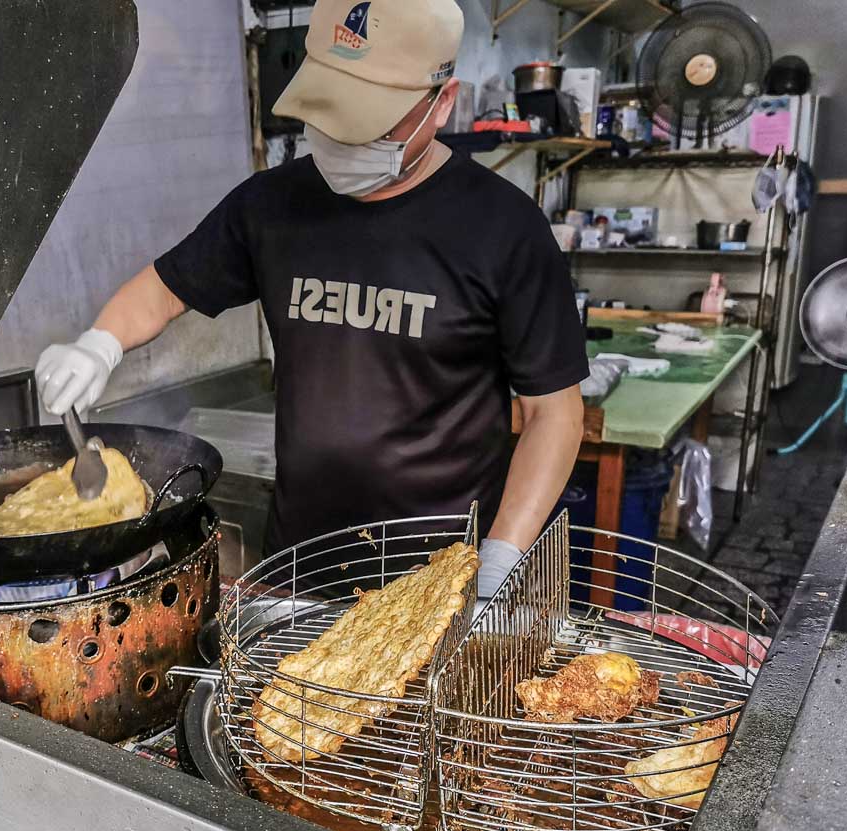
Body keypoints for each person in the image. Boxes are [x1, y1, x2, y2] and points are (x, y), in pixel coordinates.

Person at [36, 0, 586, 596]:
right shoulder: (272, 206)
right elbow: (167, 288)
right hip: (298, 564)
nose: (344, 138)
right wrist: (100, 344)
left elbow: (553, 413)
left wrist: (500, 557)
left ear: (442, 101)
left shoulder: (503, 227)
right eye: (328, 113)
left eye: (370, 120)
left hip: (438, 578)